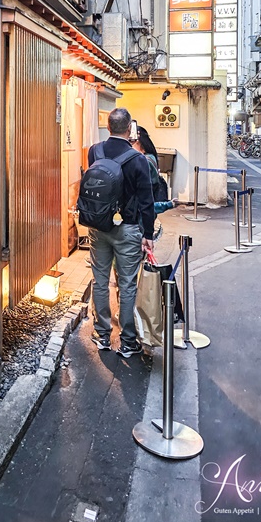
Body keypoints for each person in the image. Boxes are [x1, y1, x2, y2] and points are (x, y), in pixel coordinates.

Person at [88, 107, 154, 357]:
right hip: (127, 229)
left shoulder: (95, 151)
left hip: (98, 226)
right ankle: (127, 341)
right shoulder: (138, 159)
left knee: (100, 280)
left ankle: (102, 335)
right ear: (130, 130)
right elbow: (146, 201)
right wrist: (147, 234)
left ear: (107, 127)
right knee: (127, 284)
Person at [132, 126, 178, 236]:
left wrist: (168, 205)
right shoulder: (150, 157)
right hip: (146, 217)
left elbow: (144, 201)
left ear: (137, 141)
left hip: (140, 221)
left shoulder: (144, 161)